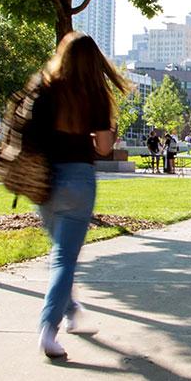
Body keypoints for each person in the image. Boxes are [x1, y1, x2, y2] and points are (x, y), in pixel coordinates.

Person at [25, 32, 128, 359]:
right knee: (64, 259)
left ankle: (71, 311)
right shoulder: (95, 95)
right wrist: (109, 132)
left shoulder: (44, 89)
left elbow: (29, 135)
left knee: (60, 254)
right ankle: (48, 328)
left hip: (44, 182)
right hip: (78, 181)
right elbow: (102, 148)